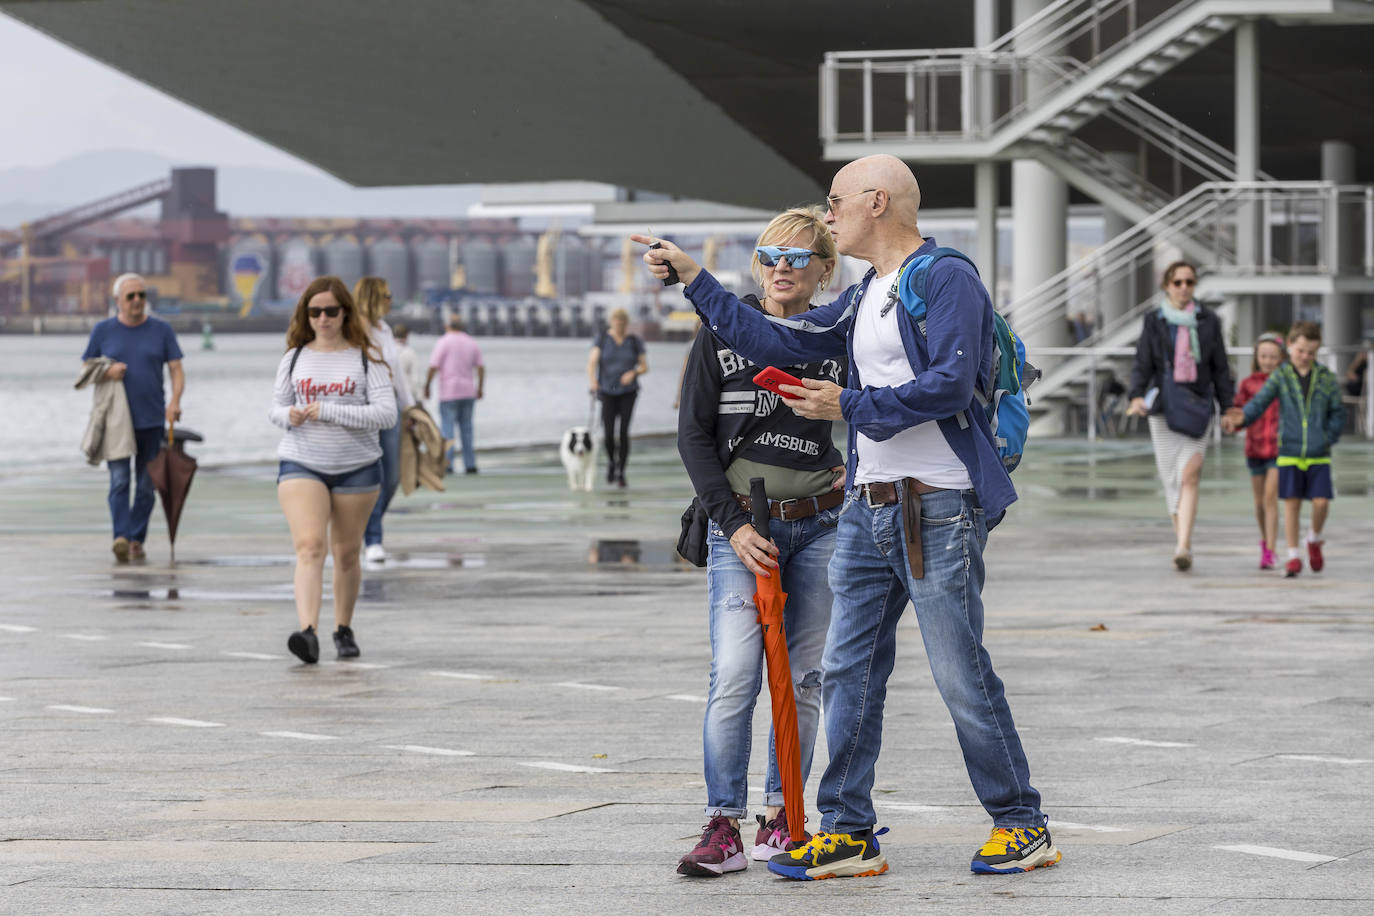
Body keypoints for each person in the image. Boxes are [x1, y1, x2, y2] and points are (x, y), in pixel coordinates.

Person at [636, 154, 1058, 881]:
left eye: (835, 202)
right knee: (846, 670)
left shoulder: (944, 277)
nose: (826, 214)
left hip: (936, 505)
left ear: (877, 201)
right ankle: (848, 829)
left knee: (958, 671)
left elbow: (952, 385)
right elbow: (781, 341)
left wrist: (850, 407)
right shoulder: (866, 293)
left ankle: (1021, 821)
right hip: (867, 506)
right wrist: (696, 280)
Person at [674, 208, 846, 877]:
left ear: (823, 270)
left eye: (799, 257)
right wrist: (735, 526)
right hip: (743, 531)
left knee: (804, 679)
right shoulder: (720, 330)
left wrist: (852, 472)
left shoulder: (838, 335)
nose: (782, 267)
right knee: (737, 675)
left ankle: (784, 816)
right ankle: (723, 824)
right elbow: (692, 437)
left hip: (822, 524)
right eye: (770, 254)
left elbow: (875, 415)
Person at [269, 276, 397, 663]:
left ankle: (343, 628)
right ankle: (307, 632)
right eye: (314, 312)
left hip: (356, 466)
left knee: (345, 554)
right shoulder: (293, 357)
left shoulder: (366, 357)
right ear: (304, 315)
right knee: (309, 546)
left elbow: (386, 414)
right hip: (301, 460)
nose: (322, 318)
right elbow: (274, 408)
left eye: (330, 311)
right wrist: (288, 416)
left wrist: (329, 410)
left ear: (345, 313)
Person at [1125, 261, 1234, 571]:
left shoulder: (1209, 320)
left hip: (1199, 404)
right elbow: (1143, 361)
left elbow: (1221, 368)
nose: (1185, 288)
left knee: (1190, 474)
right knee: (1171, 478)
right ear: (1167, 286)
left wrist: (1228, 408)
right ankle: (1181, 541)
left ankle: (1184, 544)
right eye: (1178, 283)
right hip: (1164, 408)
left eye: (1190, 282)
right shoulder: (1155, 320)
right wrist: (1136, 395)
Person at [1224, 321, 1345, 577]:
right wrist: (1242, 418)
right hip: (1289, 452)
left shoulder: (1325, 378)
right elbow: (1259, 402)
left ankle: (1314, 538)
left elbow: (1337, 412)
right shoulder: (1281, 376)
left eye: (1311, 353)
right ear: (1290, 346)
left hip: (1318, 453)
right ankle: (1292, 555)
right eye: (1301, 351)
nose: (1305, 357)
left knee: (1322, 503)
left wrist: (1327, 437)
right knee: (1291, 504)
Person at [80, 273, 185, 563]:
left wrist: (175, 401)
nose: (138, 300)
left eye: (142, 295)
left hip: (152, 420)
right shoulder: (103, 331)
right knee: (119, 481)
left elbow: (176, 370)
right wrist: (107, 371)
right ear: (118, 301)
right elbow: (86, 368)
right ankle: (121, 538)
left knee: (147, 487)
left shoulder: (162, 330)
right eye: (131, 296)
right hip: (116, 422)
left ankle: (136, 538)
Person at [355, 277, 415, 563]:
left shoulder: (385, 329)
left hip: (389, 402)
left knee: (392, 476)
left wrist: (409, 409)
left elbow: (398, 373)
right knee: (373, 473)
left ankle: (364, 526)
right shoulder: (353, 328)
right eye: (386, 295)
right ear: (372, 297)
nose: (391, 300)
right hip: (363, 405)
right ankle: (373, 539)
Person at [1232, 333, 1285, 570]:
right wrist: (1233, 422)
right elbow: (1239, 414)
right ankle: (1264, 541)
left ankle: (1272, 549)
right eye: (1263, 356)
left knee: (1270, 498)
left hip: (1278, 449)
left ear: (1281, 358)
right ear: (1256, 357)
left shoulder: (1286, 383)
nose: (1268, 361)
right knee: (1259, 502)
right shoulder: (1248, 384)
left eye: (1273, 357)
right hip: (1254, 449)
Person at [587, 308, 648, 486]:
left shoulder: (634, 341)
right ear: (611, 321)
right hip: (606, 391)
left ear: (626, 323)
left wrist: (633, 373)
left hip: (629, 392)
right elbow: (591, 363)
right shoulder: (603, 339)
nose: (619, 324)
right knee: (608, 432)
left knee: (623, 433)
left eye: (622, 321)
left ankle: (621, 471)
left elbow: (644, 366)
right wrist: (592, 381)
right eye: (616, 320)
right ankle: (611, 463)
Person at [425, 314, 485, 474]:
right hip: (468, 391)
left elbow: (433, 366)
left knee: (447, 429)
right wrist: (480, 387)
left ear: (447, 326)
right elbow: (480, 366)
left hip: (449, 392)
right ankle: (470, 464)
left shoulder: (443, 342)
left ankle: (448, 464)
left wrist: (427, 385)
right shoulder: (472, 342)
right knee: (467, 429)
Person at [392, 323, 427, 403]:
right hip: (407, 395)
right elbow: (416, 377)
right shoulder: (410, 353)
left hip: (389, 395)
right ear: (406, 336)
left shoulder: (386, 352)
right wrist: (419, 399)